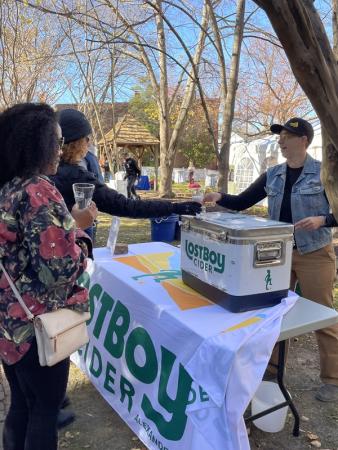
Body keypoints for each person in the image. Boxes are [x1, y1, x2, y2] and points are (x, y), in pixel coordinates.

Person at [204, 117, 338, 402]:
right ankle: (273, 369)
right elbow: (242, 202)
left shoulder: (325, 173)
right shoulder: (273, 174)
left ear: (303, 140)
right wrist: (219, 196)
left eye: (287, 136)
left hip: (315, 253)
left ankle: (333, 379)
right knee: (274, 312)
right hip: (277, 254)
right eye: (280, 136)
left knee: (323, 316)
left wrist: (323, 219)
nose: (281, 141)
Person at [0, 103, 91, 450]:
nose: (59, 147)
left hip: (10, 327)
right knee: (44, 409)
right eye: (55, 140)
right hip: (38, 329)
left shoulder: (8, 187)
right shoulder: (38, 189)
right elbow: (58, 271)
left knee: (22, 404)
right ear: (35, 143)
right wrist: (79, 235)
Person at [53, 108, 202, 223]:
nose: (89, 143)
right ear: (76, 142)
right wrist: (174, 208)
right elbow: (126, 206)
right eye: (86, 138)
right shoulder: (77, 177)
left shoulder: (40, 172)